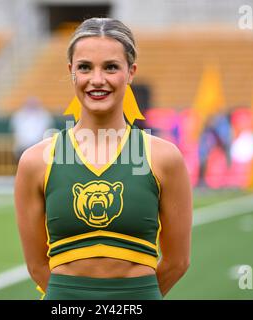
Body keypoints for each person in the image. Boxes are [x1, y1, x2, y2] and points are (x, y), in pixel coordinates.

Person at [14, 18, 192, 300]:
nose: (97, 80)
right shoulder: (36, 161)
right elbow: (36, 265)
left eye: (111, 67)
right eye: (85, 67)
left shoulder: (164, 157)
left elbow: (177, 262)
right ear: (71, 71)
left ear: (131, 72)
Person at [10, 97, 53, 162]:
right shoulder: (19, 115)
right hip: (23, 147)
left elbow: (45, 130)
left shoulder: (44, 115)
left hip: (39, 147)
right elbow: (17, 131)